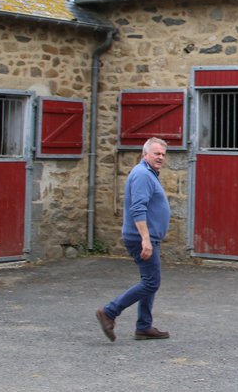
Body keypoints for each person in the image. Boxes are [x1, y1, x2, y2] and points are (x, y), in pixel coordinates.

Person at [96, 137, 172, 341]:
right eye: (156, 153)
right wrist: (145, 239)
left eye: (163, 154)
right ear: (145, 154)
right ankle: (109, 312)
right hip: (141, 238)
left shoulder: (149, 173)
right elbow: (138, 208)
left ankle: (144, 326)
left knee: (149, 280)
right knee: (151, 282)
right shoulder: (142, 175)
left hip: (148, 237)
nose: (160, 157)